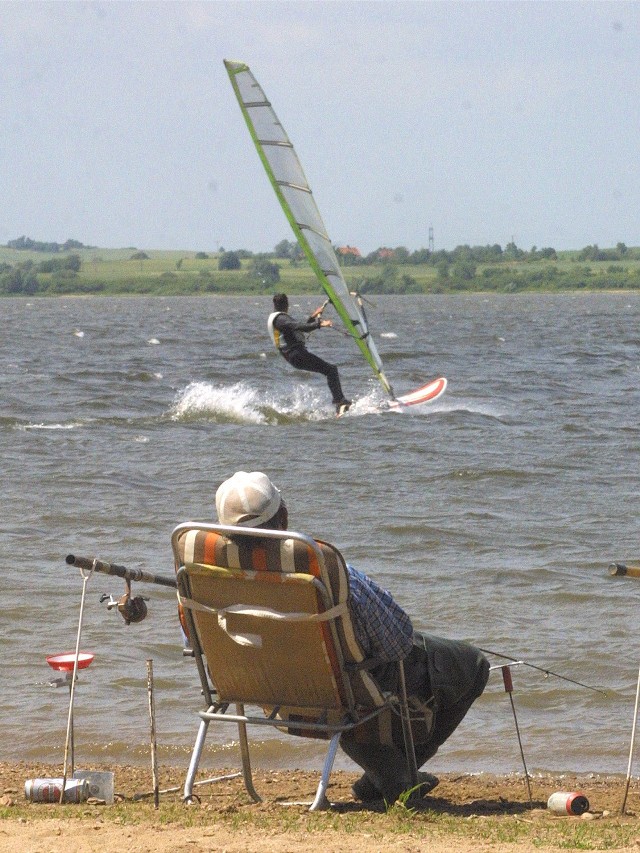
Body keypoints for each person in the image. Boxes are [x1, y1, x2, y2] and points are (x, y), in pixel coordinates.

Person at [215, 471, 490, 804]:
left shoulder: (203, 574)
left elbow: (199, 645)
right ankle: (396, 775)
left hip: (267, 690)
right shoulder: (320, 568)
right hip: (342, 691)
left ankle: (387, 774)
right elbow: (398, 642)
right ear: (283, 516)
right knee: (473, 665)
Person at [268, 293, 351, 415]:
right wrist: (319, 324)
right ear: (287, 304)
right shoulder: (280, 319)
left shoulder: (278, 318)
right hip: (296, 355)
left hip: (294, 356)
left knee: (330, 370)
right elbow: (299, 326)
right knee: (331, 370)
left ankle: (339, 402)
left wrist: (313, 317)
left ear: (274, 305)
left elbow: (300, 327)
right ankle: (339, 402)